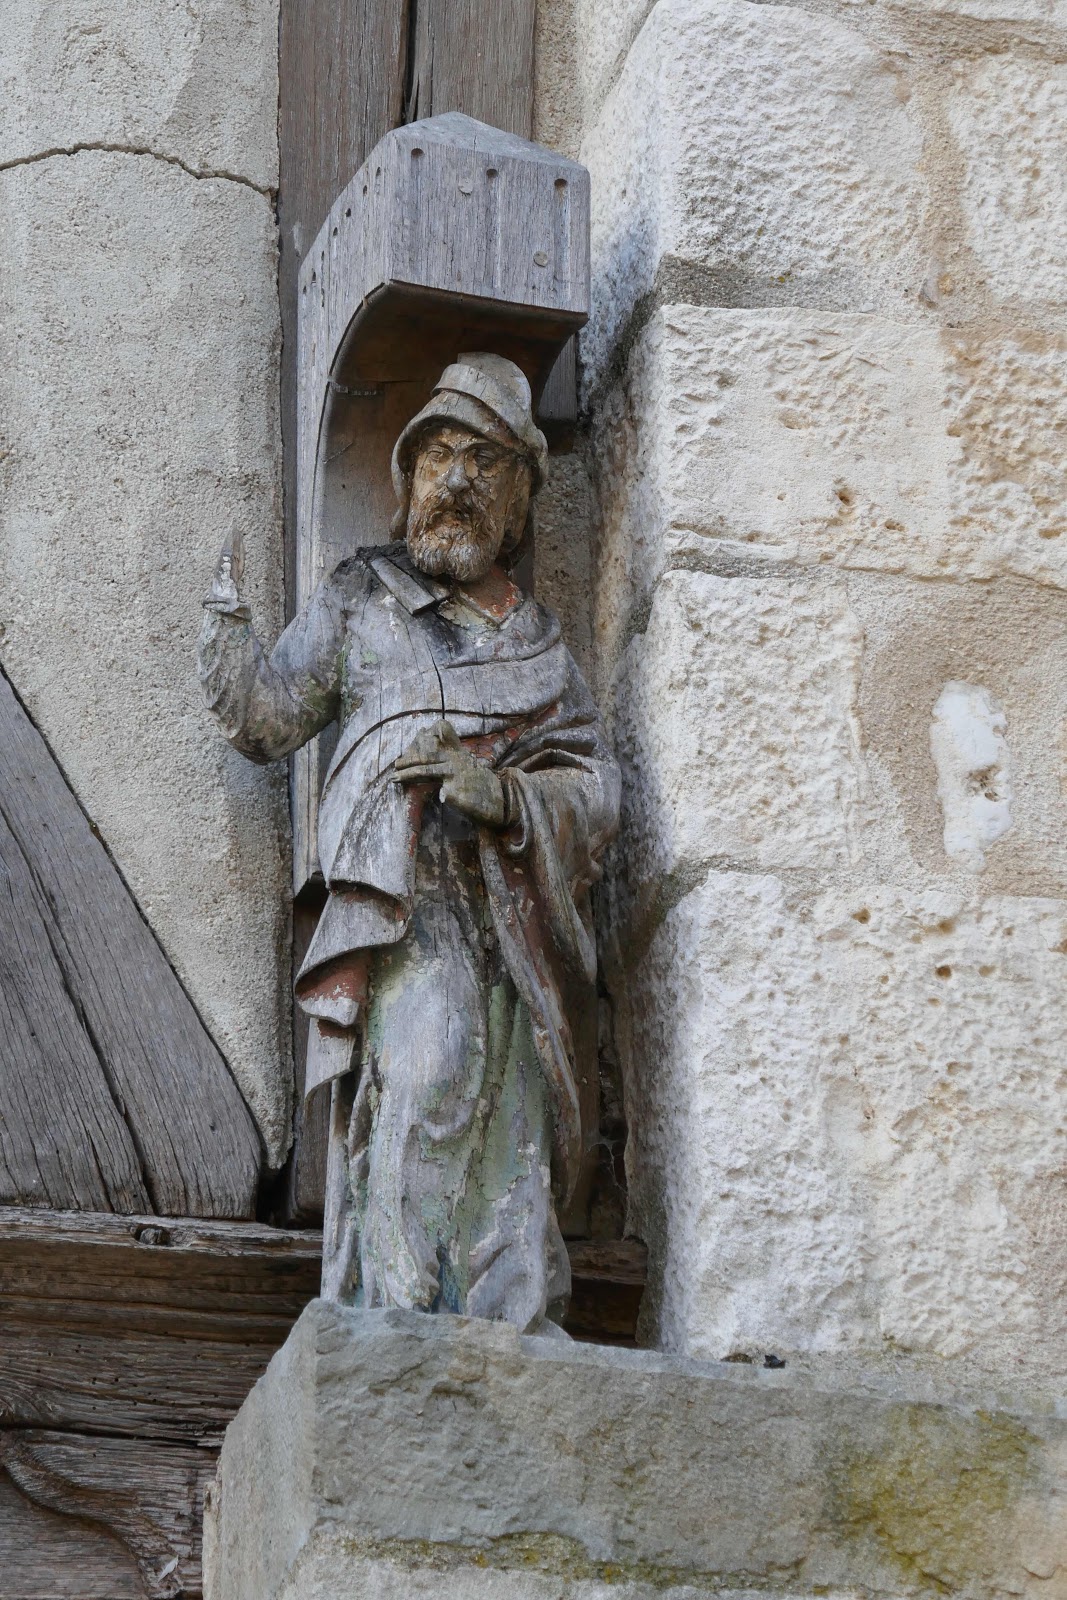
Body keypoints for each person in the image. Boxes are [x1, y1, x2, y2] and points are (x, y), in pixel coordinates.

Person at [199, 353, 619, 1335]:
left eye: (484, 461)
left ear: (517, 502)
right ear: (407, 480)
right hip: (406, 918)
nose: (457, 480)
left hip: (514, 928)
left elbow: (597, 791)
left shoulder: (540, 647)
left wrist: (506, 796)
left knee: (510, 1121)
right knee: (426, 1074)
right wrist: (225, 624)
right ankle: (398, 1318)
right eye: (437, 456)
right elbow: (268, 717)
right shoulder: (363, 598)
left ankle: (500, 1327)